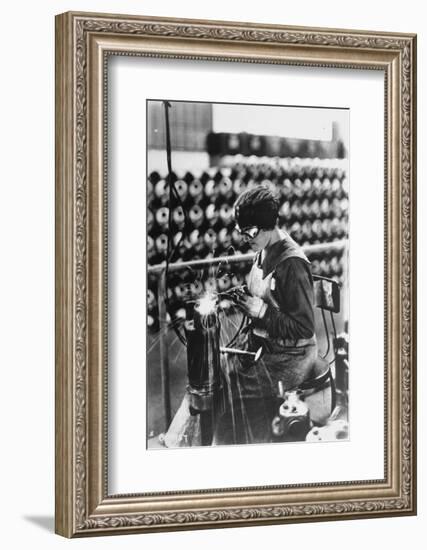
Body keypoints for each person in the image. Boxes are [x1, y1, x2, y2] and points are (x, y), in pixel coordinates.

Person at [214, 185, 331, 445]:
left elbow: (304, 328)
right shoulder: (262, 249)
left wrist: (260, 311)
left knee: (235, 388)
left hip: (291, 356)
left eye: (251, 232)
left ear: (269, 225)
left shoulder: (292, 264)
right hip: (267, 345)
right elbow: (266, 291)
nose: (246, 238)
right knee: (220, 369)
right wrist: (239, 295)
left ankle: (257, 445)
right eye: (241, 232)